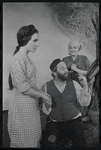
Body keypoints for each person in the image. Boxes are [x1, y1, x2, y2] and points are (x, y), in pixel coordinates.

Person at [7, 24, 52, 148]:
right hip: (22, 106)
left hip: (30, 105)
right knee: (24, 141)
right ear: (25, 39)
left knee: (33, 139)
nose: (38, 44)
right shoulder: (18, 59)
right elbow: (23, 88)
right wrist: (42, 94)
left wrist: (43, 94)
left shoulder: (26, 58)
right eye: (35, 40)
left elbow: (30, 84)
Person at [40, 59, 91, 148]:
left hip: (74, 123)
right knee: (49, 142)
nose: (66, 71)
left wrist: (85, 85)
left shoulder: (74, 84)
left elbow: (84, 103)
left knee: (80, 144)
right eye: (62, 68)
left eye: (66, 68)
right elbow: (45, 110)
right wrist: (47, 104)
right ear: (55, 73)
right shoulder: (46, 87)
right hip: (55, 125)